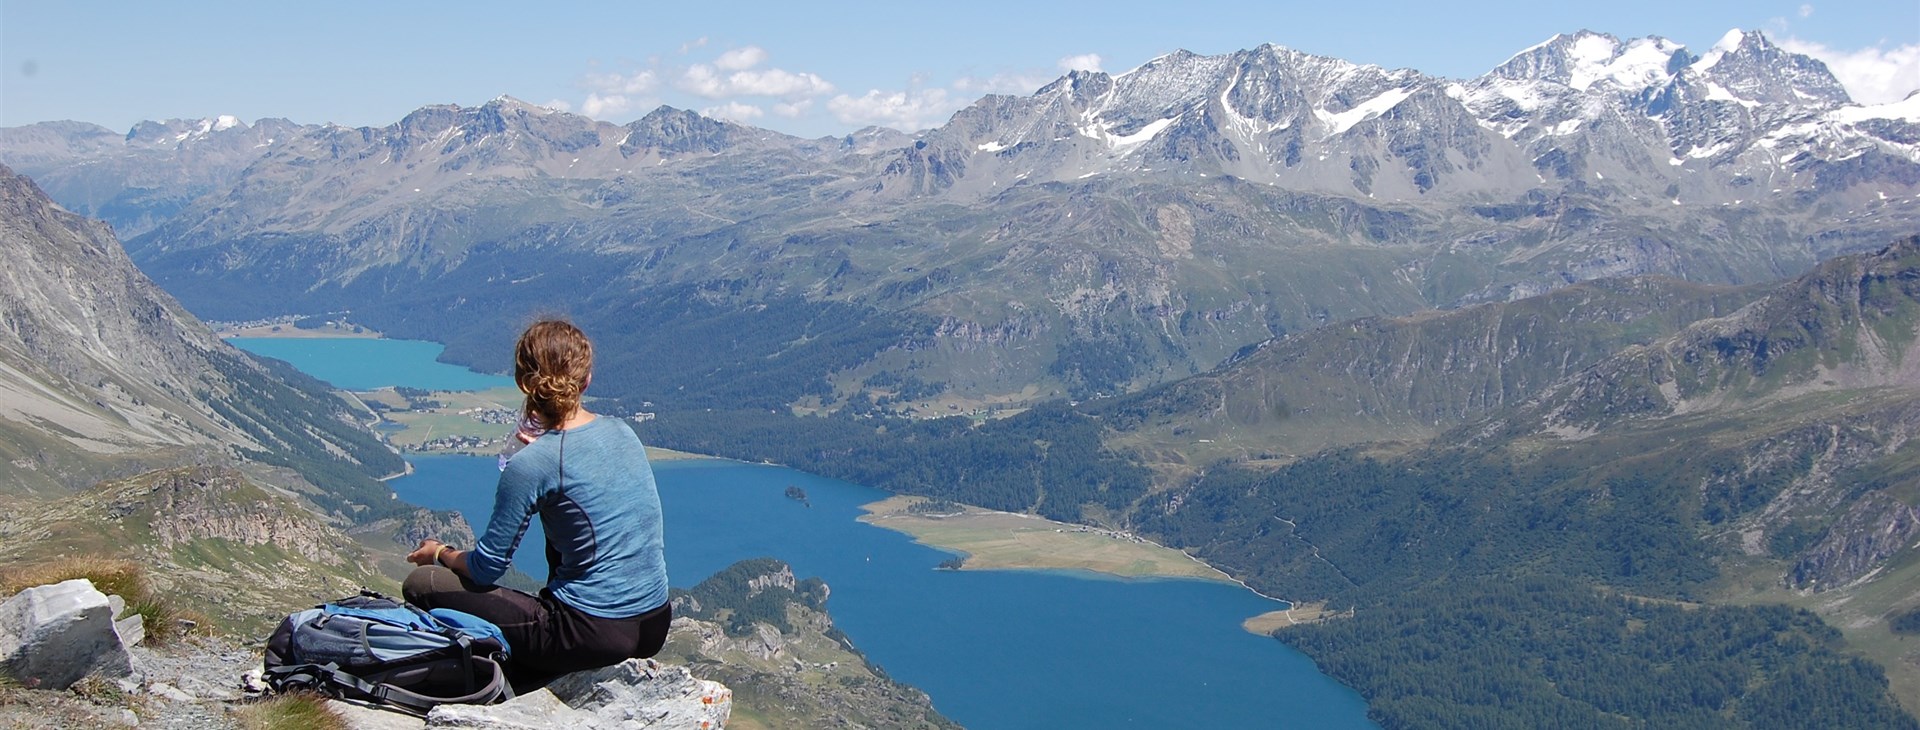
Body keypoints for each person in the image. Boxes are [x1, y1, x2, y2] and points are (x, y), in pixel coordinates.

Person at [402, 319, 670, 685]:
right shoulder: (622, 431)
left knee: (423, 584)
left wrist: (440, 552)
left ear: (522, 382)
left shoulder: (532, 463)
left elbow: (486, 568)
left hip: (591, 632)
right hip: (655, 622)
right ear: (586, 378)